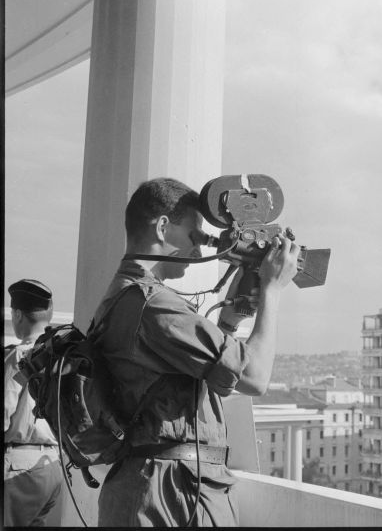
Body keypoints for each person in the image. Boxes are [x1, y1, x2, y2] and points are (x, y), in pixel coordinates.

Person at [96, 177, 300, 527]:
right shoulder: (153, 305)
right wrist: (273, 288)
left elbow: (181, 379)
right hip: (167, 495)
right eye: (194, 235)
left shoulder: (126, 295)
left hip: (155, 486)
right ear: (162, 227)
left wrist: (229, 325)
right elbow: (255, 377)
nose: (200, 249)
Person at [4, 279, 63, 527]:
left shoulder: (19, 355)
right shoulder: (63, 355)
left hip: (19, 466)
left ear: (17, 314)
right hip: (52, 467)